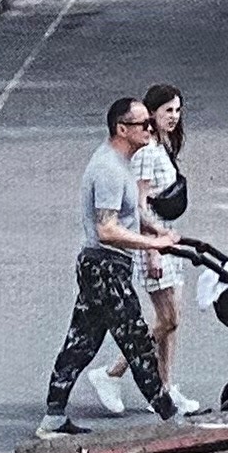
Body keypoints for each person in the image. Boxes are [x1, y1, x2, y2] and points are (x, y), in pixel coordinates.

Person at [44, 93, 192, 431]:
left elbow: (132, 212)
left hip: (102, 267)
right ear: (122, 129)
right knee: (137, 341)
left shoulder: (121, 163)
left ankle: (53, 417)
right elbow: (107, 229)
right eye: (143, 124)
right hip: (105, 267)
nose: (150, 129)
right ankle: (170, 417)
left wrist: (158, 230)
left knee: (81, 343)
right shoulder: (109, 169)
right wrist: (153, 244)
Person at [132, 81, 193, 403]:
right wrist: (153, 249)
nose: (174, 116)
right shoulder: (146, 152)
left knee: (171, 323)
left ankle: (166, 387)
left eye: (178, 110)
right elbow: (138, 206)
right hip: (154, 243)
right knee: (169, 320)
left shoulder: (162, 145)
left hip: (167, 239)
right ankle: (113, 371)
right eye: (167, 110)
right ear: (152, 113)